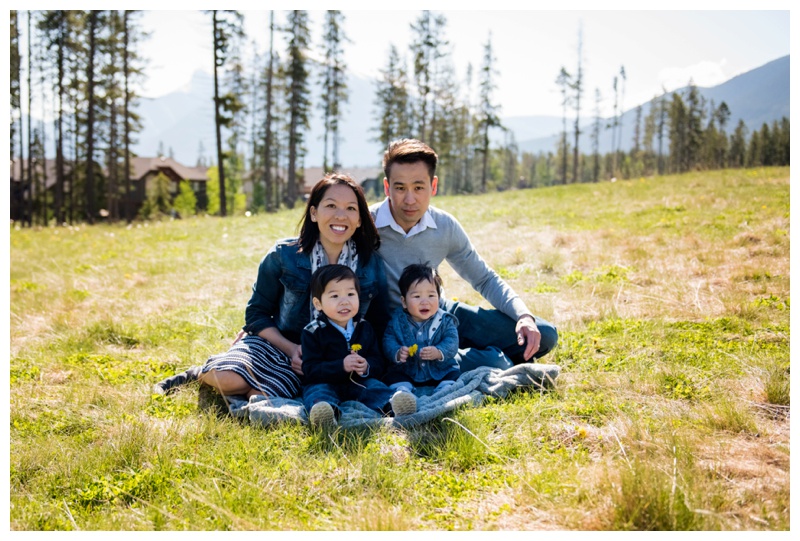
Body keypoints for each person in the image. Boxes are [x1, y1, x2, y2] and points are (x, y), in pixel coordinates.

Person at [153, 173, 388, 400]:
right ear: (314, 213)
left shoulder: (371, 264)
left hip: (329, 357)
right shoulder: (283, 255)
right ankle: (198, 372)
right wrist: (291, 349)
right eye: (331, 206)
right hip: (278, 343)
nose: (340, 216)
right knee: (229, 381)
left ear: (359, 220)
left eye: (350, 208)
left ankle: (253, 386)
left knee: (259, 394)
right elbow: (256, 314)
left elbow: (378, 321)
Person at [370, 138, 558, 372]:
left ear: (433, 186)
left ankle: (460, 356)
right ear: (387, 188)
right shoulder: (367, 224)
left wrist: (523, 316)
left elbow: (484, 279)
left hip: (440, 315)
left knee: (545, 334)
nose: (410, 199)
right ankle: (474, 360)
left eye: (419, 187)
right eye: (400, 188)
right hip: (392, 330)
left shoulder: (444, 226)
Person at [301, 265, 417, 428]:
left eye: (350, 294)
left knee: (374, 387)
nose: (344, 301)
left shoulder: (364, 327)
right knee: (317, 392)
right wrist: (340, 366)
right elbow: (310, 369)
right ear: (318, 303)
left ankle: (394, 405)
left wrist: (366, 366)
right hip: (325, 381)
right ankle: (326, 414)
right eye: (334, 296)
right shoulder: (313, 332)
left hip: (358, 381)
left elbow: (378, 360)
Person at [382, 263, 460, 393]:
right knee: (393, 377)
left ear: (439, 298)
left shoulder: (445, 320)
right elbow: (388, 339)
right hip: (407, 371)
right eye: (417, 296)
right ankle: (403, 393)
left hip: (440, 370)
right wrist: (397, 352)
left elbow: (452, 341)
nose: (425, 302)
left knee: (453, 376)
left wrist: (438, 351)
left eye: (431, 295)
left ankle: (445, 390)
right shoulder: (397, 320)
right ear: (404, 302)